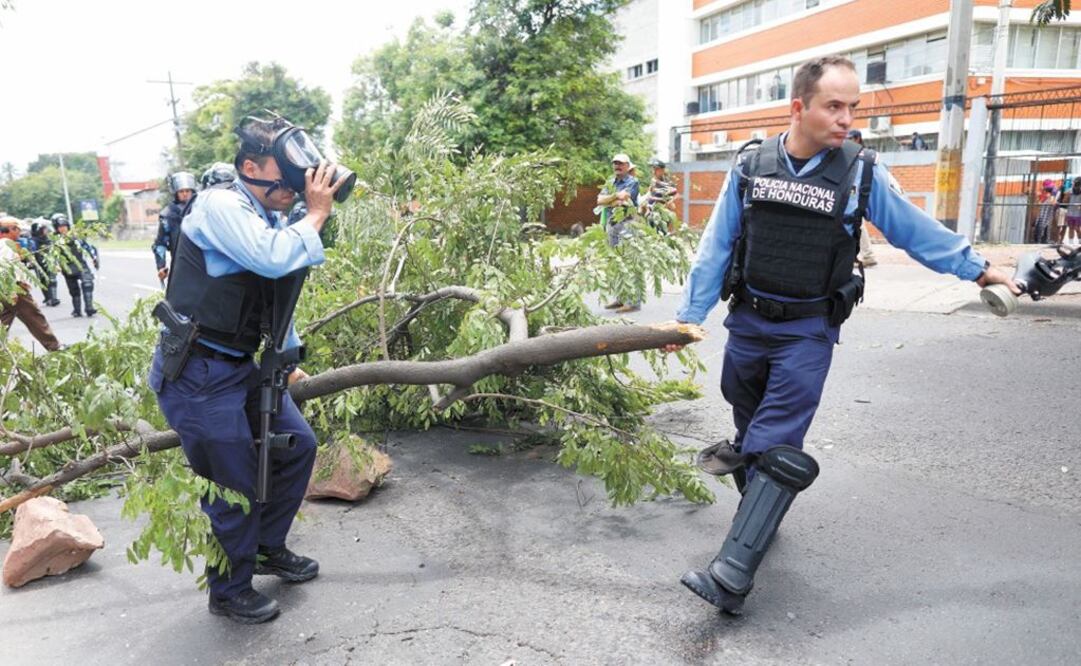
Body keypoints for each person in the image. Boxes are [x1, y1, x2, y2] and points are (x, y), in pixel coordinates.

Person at [662, 55, 1018, 616]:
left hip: (808, 328)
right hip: (749, 321)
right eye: (834, 106)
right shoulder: (752, 164)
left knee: (775, 438)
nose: (847, 118)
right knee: (747, 418)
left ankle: (732, 575)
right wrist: (688, 317)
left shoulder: (860, 172)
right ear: (798, 108)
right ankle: (760, 510)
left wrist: (978, 268)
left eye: (853, 106)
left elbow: (914, 230)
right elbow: (717, 244)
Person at [147, 114, 350, 624]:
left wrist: (288, 357)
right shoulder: (221, 205)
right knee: (233, 485)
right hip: (198, 375)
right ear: (249, 167)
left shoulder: (270, 214)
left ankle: (265, 546)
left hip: (243, 367)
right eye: (282, 180)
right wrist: (317, 214)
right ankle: (229, 590)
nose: (291, 190)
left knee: (298, 444)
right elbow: (274, 259)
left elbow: (278, 296)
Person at [0, 216, 62, 351]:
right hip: (14, 289)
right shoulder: (6, 244)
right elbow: (4, 268)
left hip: (6, 289)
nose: (19, 232)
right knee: (34, 316)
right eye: (18, 229)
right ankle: (54, 346)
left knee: (4, 319)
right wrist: (12, 289)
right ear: (10, 229)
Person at [596, 153, 640, 311]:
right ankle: (620, 298)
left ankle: (633, 302)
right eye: (615, 163)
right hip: (612, 225)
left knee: (629, 262)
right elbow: (599, 200)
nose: (617, 166)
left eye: (621, 164)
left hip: (627, 225)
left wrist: (611, 200)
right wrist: (614, 197)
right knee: (615, 263)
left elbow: (623, 202)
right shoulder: (610, 182)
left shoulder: (633, 182)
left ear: (628, 166)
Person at [153, 172, 197, 284]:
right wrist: (161, 266)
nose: (185, 194)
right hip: (180, 265)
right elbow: (160, 243)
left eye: (188, 191)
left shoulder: (202, 209)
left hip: (203, 265)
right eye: (181, 191)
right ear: (176, 193)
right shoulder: (167, 215)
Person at [51, 214, 98, 317]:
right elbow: (52, 255)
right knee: (74, 290)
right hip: (67, 267)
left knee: (88, 283)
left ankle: (89, 308)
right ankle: (77, 310)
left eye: (64, 226)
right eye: (60, 227)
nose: (63, 229)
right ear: (56, 228)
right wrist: (55, 265)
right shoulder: (55, 241)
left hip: (81, 264)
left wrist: (94, 258)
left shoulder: (77, 237)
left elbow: (88, 247)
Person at [846, 129, 877, 267]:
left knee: (857, 222)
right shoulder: (852, 152)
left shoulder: (862, 155)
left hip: (859, 193)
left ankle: (868, 255)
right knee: (856, 223)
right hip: (854, 191)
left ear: (857, 138)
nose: (846, 141)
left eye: (850, 138)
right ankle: (860, 254)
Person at [640, 157, 679, 235]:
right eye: (653, 169)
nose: (654, 171)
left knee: (661, 233)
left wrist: (669, 203)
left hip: (660, 214)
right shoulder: (653, 181)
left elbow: (676, 195)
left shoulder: (667, 183)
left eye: (656, 169)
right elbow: (649, 193)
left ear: (662, 170)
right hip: (649, 212)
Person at [29, 219, 60, 307]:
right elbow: (31, 252)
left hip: (49, 262)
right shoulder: (33, 241)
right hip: (39, 264)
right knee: (43, 281)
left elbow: (54, 250)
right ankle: (48, 297)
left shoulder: (48, 239)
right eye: (44, 228)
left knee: (52, 279)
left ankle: (53, 298)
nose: (46, 230)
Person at [1063, 178, 1081, 246]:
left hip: (1078, 214)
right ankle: (1071, 242)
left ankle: (1079, 241)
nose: (1076, 185)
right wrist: (1067, 196)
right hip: (1070, 212)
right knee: (1071, 228)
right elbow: (1065, 201)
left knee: (1077, 228)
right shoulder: (1069, 191)